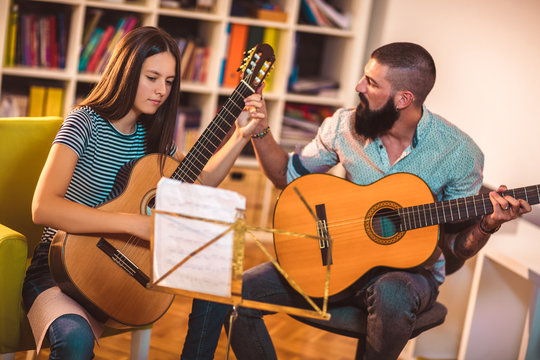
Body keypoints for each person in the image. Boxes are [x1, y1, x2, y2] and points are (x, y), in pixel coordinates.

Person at [181, 42, 532, 360]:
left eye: (371, 82)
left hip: (408, 275)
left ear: (403, 99)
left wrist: (488, 224)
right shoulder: (344, 126)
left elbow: (455, 248)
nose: (358, 87)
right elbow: (286, 176)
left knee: (392, 294)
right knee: (236, 297)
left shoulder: (459, 154)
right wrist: (257, 129)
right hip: (334, 257)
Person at [22, 26, 265, 359]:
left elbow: (202, 179)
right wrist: (132, 223)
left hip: (123, 271)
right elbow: (43, 208)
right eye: (152, 77)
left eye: (168, 82)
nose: (161, 91)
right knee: (75, 341)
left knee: (219, 262)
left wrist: (241, 136)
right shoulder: (84, 122)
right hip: (59, 267)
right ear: (127, 71)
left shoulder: (152, 136)